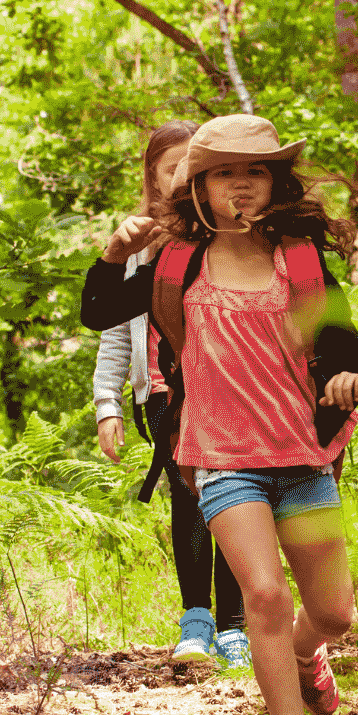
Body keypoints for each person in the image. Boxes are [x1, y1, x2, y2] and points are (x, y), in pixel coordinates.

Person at [80, 114, 358, 715]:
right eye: (223, 173)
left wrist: (354, 377)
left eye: (253, 171)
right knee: (266, 597)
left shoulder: (301, 259)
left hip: (301, 456)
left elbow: (349, 348)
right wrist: (110, 251)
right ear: (200, 187)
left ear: (274, 182)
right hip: (220, 458)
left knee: (335, 614)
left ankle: (310, 654)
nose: (239, 185)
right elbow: (97, 312)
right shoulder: (173, 264)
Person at [91, 120, 249, 669]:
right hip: (161, 391)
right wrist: (108, 403)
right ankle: (197, 621)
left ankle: (234, 625)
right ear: (154, 179)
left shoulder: (227, 232)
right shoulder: (137, 242)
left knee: (233, 494)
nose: (183, 178)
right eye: (171, 169)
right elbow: (112, 328)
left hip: (229, 385)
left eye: (193, 167)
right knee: (189, 497)